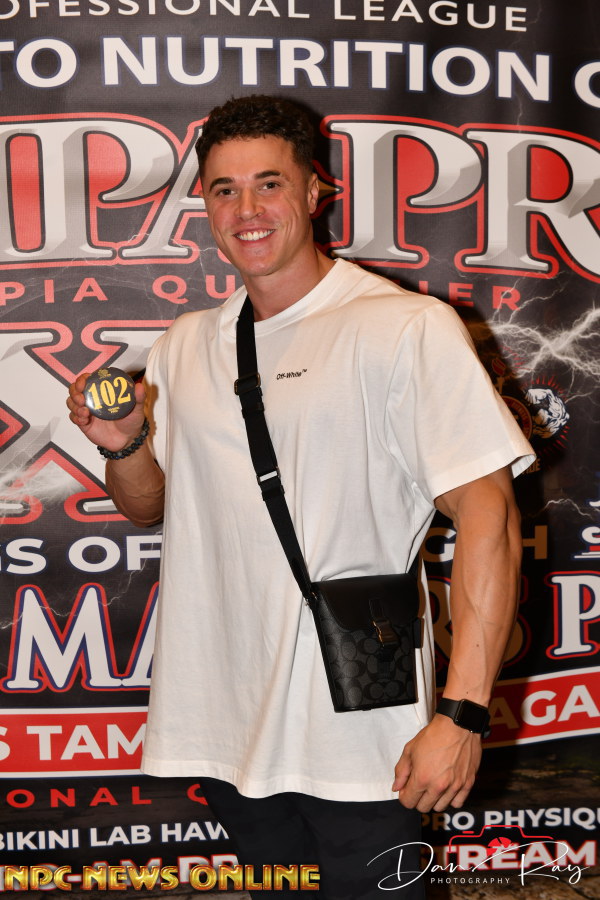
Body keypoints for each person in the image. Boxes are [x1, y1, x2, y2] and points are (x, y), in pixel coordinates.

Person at [68, 94, 535, 898]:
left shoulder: (403, 326)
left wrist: (461, 716)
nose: (246, 210)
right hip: (222, 725)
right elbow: (148, 506)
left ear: (315, 191)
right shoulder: (186, 343)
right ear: (204, 204)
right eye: (224, 189)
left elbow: (488, 513)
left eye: (269, 184)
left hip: (359, 738)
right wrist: (124, 443)